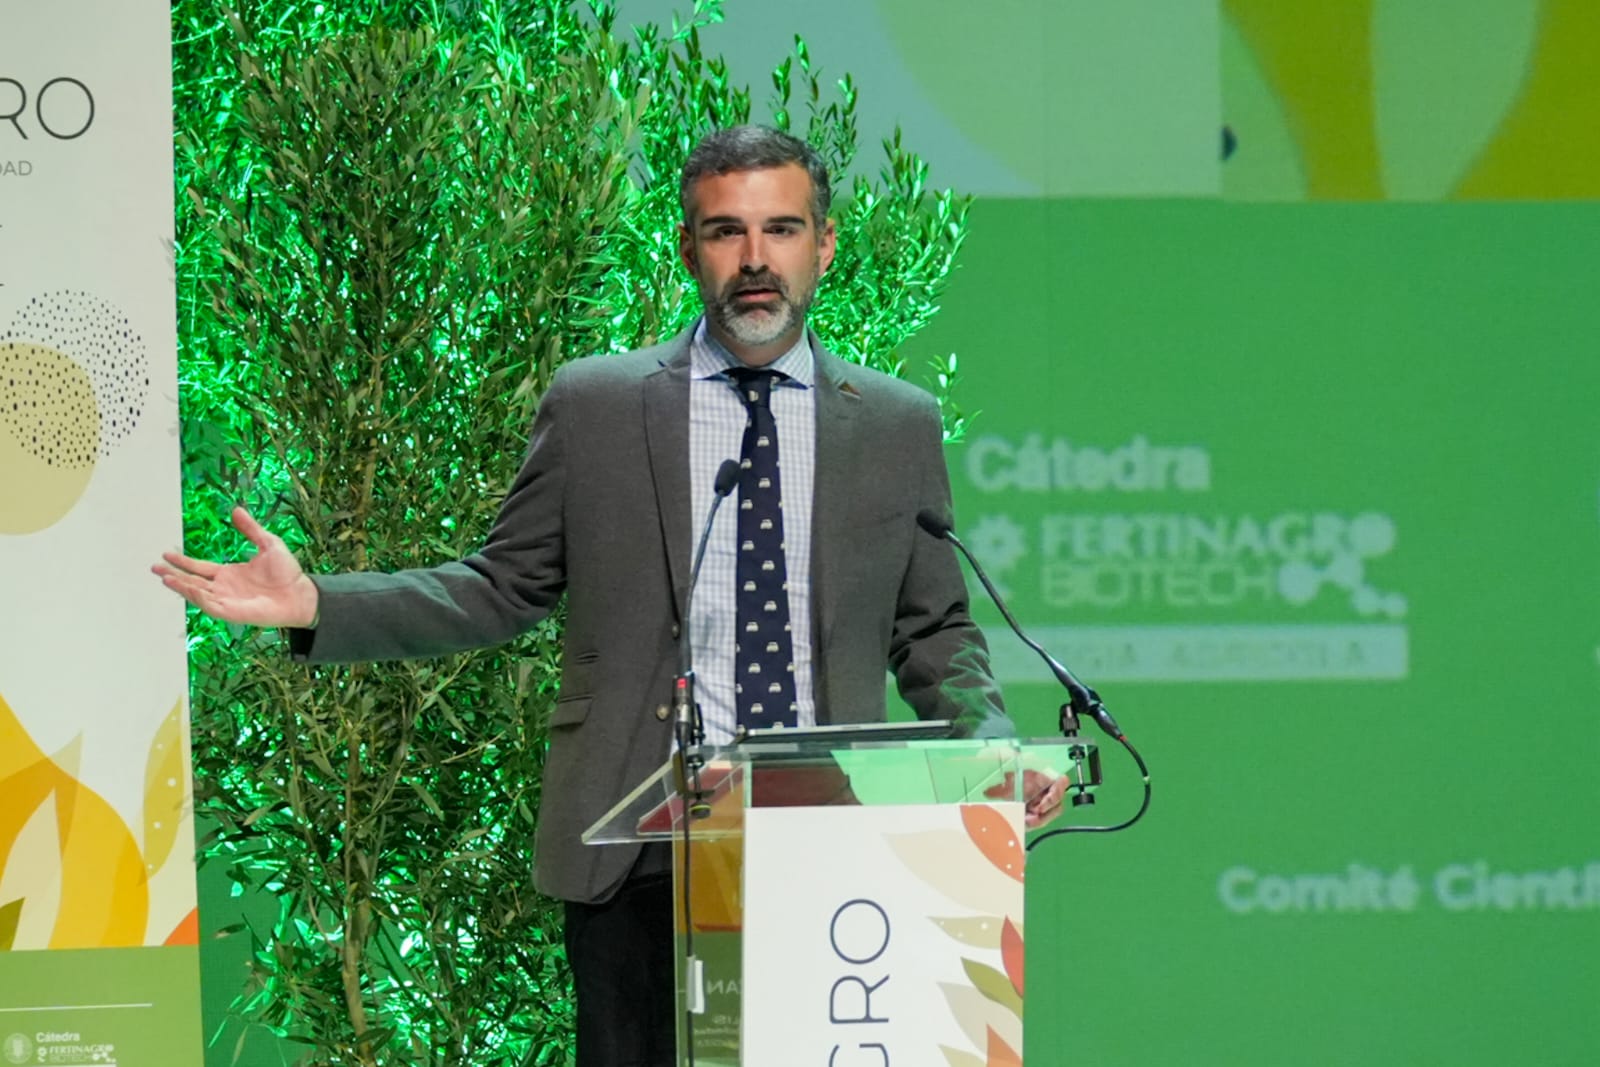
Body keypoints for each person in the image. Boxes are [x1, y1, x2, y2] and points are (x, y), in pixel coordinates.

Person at [156, 124, 1067, 1067]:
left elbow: (934, 630)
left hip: (829, 845)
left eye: (781, 229)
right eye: (725, 232)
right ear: (688, 248)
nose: (755, 259)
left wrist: (983, 759)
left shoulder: (893, 423)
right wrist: (319, 605)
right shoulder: (597, 404)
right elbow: (502, 586)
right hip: (640, 849)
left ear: (824, 244)